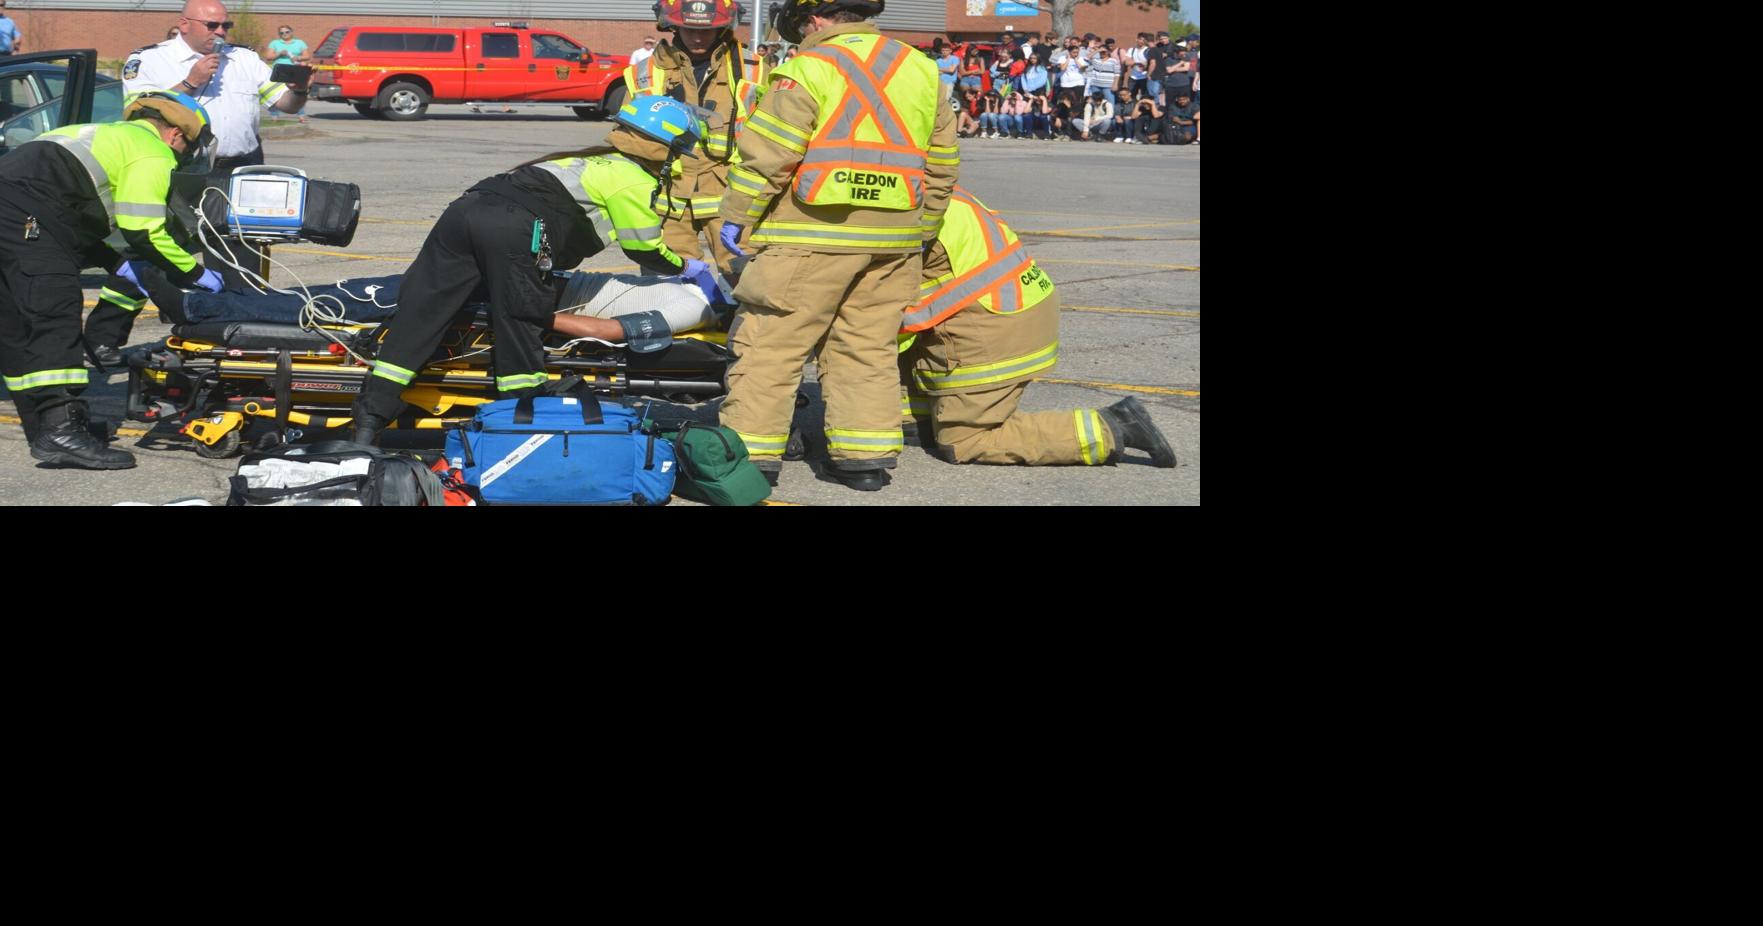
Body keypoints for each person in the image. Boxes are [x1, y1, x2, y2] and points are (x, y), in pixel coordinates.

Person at [349, 98, 717, 446]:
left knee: (421, 312)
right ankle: (520, 419)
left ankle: (369, 419)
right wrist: (686, 266)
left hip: (465, 210)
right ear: (666, 146)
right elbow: (643, 248)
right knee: (521, 318)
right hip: (516, 228)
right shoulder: (633, 177)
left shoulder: (581, 159)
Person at [714, 0, 958, 491]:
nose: (801, 34)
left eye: (802, 26)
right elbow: (942, 163)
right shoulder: (921, 69)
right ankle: (863, 462)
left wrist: (737, 216)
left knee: (771, 346)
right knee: (866, 347)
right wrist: (922, 228)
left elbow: (770, 154)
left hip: (809, 237)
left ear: (818, 19)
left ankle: (750, 458)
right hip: (894, 243)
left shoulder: (808, 69)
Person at [0, 92, 222, 469]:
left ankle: (47, 427)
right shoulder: (153, 152)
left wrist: (115, 262)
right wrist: (196, 273)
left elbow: (72, 211)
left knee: (18, 327)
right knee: (53, 312)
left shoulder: (101, 134)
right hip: (28, 218)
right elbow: (143, 229)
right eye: (186, 146)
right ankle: (61, 430)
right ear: (174, 135)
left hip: (20, 214)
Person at [91, 0, 314, 362]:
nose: (221, 33)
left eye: (225, 25)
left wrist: (300, 88)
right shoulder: (149, 60)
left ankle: (236, 337)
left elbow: (283, 104)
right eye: (212, 26)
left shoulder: (243, 59)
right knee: (150, 251)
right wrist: (190, 83)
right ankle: (103, 339)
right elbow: (138, 111)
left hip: (239, 170)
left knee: (242, 256)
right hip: (178, 168)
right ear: (184, 24)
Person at [899, 186, 1174, 469]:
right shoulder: (930, 186)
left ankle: (1113, 426)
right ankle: (919, 417)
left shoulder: (889, 209)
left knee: (968, 440)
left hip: (993, 324)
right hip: (1014, 305)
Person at [621, 0, 767, 277]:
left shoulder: (754, 69)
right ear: (673, 25)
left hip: (733, 198)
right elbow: (629, 139)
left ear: (723, 28)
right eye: (690, 29)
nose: (698, 37)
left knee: (751, 281)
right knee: (669, 286)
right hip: (668, 197)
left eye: (707, 31)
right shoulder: (644, 73)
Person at [265, 24, 311, 123]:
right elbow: (268, 57)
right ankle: (274, 116)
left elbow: (307, 56)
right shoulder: (275, 43)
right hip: (279, 71)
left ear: (291, 32)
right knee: (275, 93)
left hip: (294, 70)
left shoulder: (299, 43)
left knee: (296, 92)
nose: (284, 34)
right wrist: (279, 54)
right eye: (281, 33)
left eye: (287, 32)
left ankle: (301, 116)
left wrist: (298, 58)